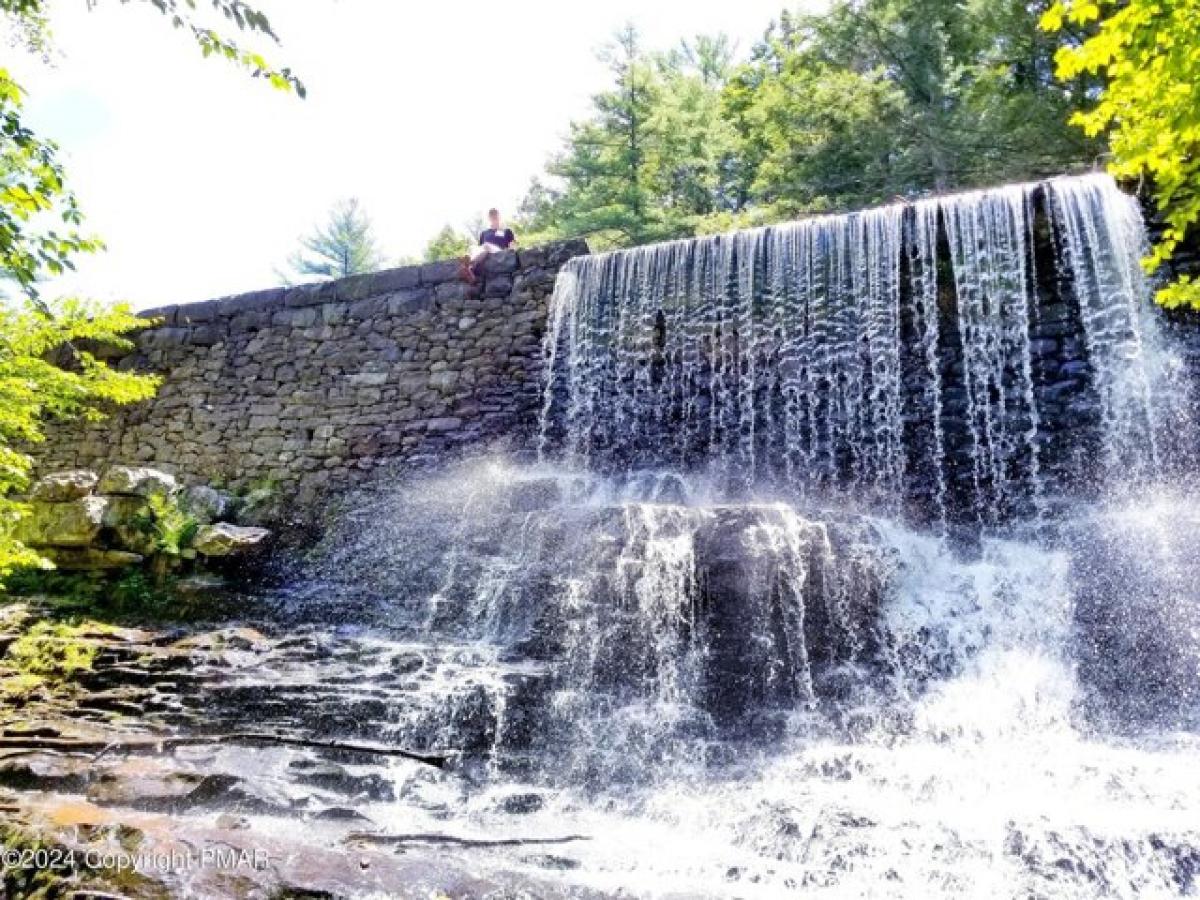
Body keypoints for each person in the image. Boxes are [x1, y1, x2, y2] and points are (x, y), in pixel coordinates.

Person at [459, 209, 517, 283]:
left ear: (499, 216)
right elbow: (480, 248)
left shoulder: (507, 231)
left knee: (486, 245)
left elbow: (513, 247)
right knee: (472, 247)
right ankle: (470, 270)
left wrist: (510, 250)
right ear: (489, 218)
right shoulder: (484, 233)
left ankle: (469, 264)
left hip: (500, 253)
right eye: (492, 215)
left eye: (495, 215)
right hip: (486, 252)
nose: (494, 217)